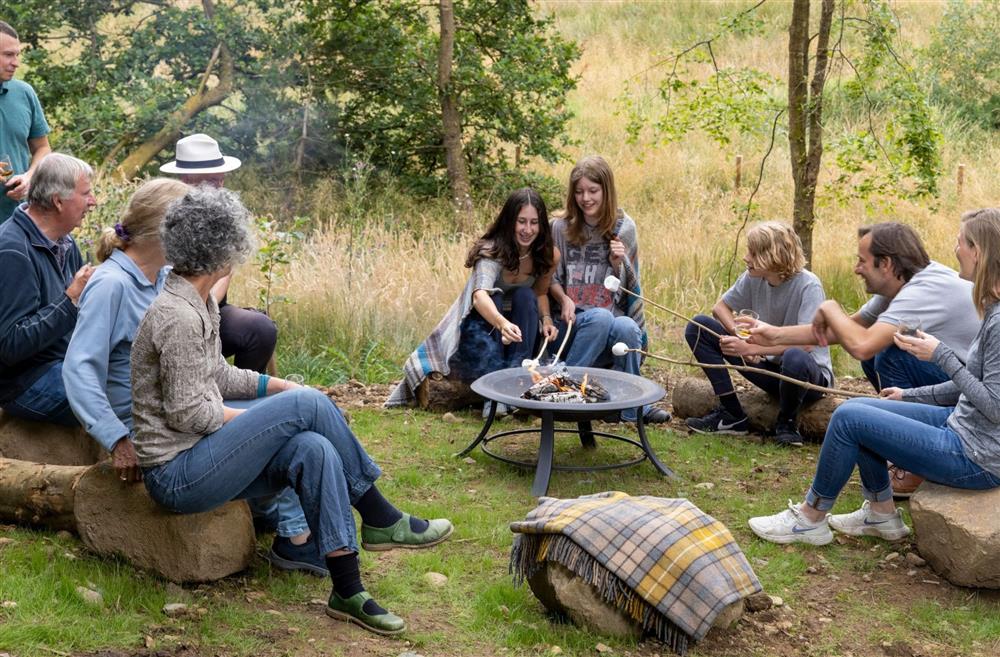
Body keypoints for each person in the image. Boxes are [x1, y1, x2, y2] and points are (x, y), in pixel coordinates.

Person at [132, 185, 453, 636]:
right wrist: (266, 424)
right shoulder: (177, 316)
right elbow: (189, 414)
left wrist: (281, 386)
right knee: (301, 410)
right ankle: (381, 517)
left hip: (201, 456)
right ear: (220, 251)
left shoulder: (198, 303)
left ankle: (348, 588)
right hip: (177, 474)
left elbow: (220, 380)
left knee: (313, 447)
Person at [747, 209, 1000, 546]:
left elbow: (995, 407)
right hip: (962, 425)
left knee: (851, 415)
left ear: (978, 252)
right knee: (870, 410)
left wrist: (941, 356)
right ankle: (880, 513)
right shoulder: (987, 304)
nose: (954, 249)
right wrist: (909, 396)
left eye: (960, 242)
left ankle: (810, 520)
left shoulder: (993, 317)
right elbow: (849, 329)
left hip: (978, 456)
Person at [386, 188, 559, 414]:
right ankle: (492, 395)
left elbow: (539, 293)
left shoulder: (546, 254)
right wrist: (502, 323)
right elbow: (479, 296)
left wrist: (546, 319)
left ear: (542, 225)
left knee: (524, 296)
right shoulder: (492, 250)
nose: (528, 230)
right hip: (479, 335)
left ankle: (518, 382)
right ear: (509, 222)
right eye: (521, 222)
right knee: (494, 296)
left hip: (518, 334)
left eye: (534, 222)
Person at [684, 221, 833, 447]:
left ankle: (787, 423)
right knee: (698, 327)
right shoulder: (753, 277)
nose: (746, 258)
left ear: (772, 255)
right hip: (767, 366)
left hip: (806, 378)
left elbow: (807, 344)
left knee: (794, 355)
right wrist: (741, 337)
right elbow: (720, 308)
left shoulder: (809, 285)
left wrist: (754, 348)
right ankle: (732, 414)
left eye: (752, 253)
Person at [548, 155, 670, 424]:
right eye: (579, 192)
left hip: (609, 326)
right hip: (571, 327)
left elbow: (630, 290)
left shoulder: (623, 228)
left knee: (626, 326)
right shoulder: (559, 227)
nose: (585, 198)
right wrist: (563, 298)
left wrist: (619, 264)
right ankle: (562, 386)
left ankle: (631, 410)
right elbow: (549, 278)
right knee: (601, 317)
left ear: (606, 190)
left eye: (593, 191)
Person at [160, 133, 277, 373]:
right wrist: (189, 313)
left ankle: (247, 400)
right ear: (187, 178)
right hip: (168, 312)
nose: (220, 186)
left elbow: (225, 272)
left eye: (220, 179)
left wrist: (206, 309)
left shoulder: (221, 213)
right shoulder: (164, 212)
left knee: (259, 327)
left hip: (212, 306)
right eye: (212, 180)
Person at [0, 153, 95, 424]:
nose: (93, 201)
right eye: (86, 193)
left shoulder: (65, 241)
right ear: (57, 200)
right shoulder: (12, 252)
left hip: (66, 362)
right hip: (25, 383)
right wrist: (71, 300)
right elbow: (9, 345)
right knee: (125, 400)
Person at [0, 21, 52, 223]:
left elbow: (43, 148)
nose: (16, 63)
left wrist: (30, 176)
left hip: (18, 220)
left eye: (17, 55)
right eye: (7, 55)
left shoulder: (24, 93)